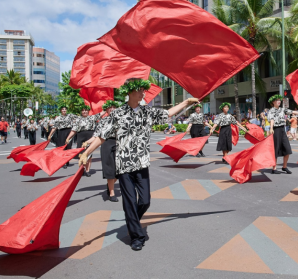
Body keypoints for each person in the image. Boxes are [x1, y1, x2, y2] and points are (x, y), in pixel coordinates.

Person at [80, 78, 199, 251]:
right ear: (130, 92)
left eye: (144, 90)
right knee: (129, 201)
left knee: (145, 201)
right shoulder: (117, 113)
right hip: (124, 164)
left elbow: (169, 113)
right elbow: (102, 136)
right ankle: (137, 236)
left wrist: (186, 101)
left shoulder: (147, 112)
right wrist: (86, 153)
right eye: (140, 90)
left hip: (142, 163)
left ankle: (132, 220)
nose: (144, 93)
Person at [83, 101, 121, 202]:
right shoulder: (103, 121)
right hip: (106, 143)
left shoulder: (122, 119)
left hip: (119, 144)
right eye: (110, 107)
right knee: (109, 169)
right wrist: (87, 142)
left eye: (114, 107)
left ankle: (110, 185)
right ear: (106, 110)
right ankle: (112, 193)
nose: (112, 109)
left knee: (121, 170)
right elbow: (96, 136)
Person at [267, 94, 298, 174]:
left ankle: (284, 167)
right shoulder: (271, 111)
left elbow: (291, 111)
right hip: (276, 130)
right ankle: (274, 168)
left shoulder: (282, 109)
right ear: (273, 102)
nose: (279, 102)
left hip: (282, 130)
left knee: (287, 149)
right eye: (277, 100)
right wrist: (271, 128)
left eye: (279, 100)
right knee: (276, 149)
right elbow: (272, 120)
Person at [66, 106, 104, 177]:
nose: (84, 112)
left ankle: (87, 170)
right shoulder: (78, 119)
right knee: (80, 154)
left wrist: (107, 106)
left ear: (88, 111)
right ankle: (81, 170)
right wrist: (68, 138)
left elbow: (102, 113)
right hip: (80, 136)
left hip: (90, 136)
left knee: (89, 154)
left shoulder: (92, 117)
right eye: (83, 110)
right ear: (81, 112)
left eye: (86, 110)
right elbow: (74, 130)